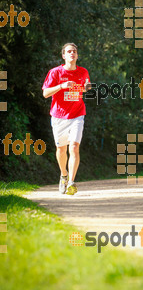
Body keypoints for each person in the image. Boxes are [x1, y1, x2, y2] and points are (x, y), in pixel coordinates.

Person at [42, 43, 91, 195]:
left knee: (74, 147)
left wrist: (87, 87)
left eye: (74, 51)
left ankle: (71, 182)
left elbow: (87, 86)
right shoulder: (55, 72)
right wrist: (62, 86)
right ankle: (63, 174)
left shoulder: (83, 72)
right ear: (63, 55)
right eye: (69, 51)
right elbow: (45, 93)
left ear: (77, 55)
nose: (72, 53)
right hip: (59, 117)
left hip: (77, 114)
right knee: (61, 150)